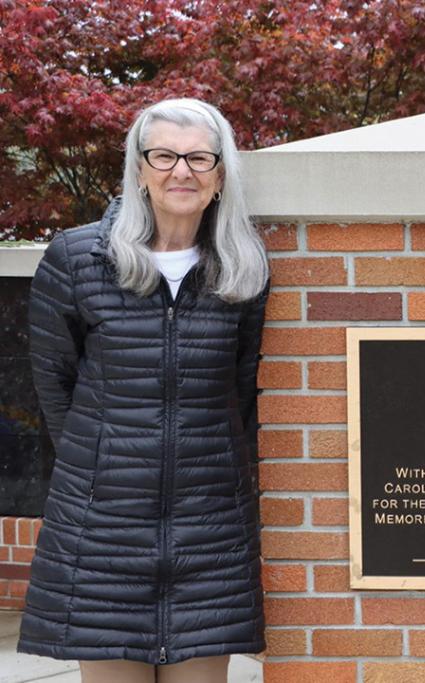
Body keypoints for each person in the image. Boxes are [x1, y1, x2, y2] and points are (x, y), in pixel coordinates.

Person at [18, 98, 270, 683]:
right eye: (164, 155)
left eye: (199, 158)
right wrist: (102, 463)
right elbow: (55, 385)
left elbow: (242, 386)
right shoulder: (78, 257)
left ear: (220, 174)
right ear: (138, 168)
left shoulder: (243, 265)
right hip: (102, 527)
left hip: (210, 528)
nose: (181, 171)